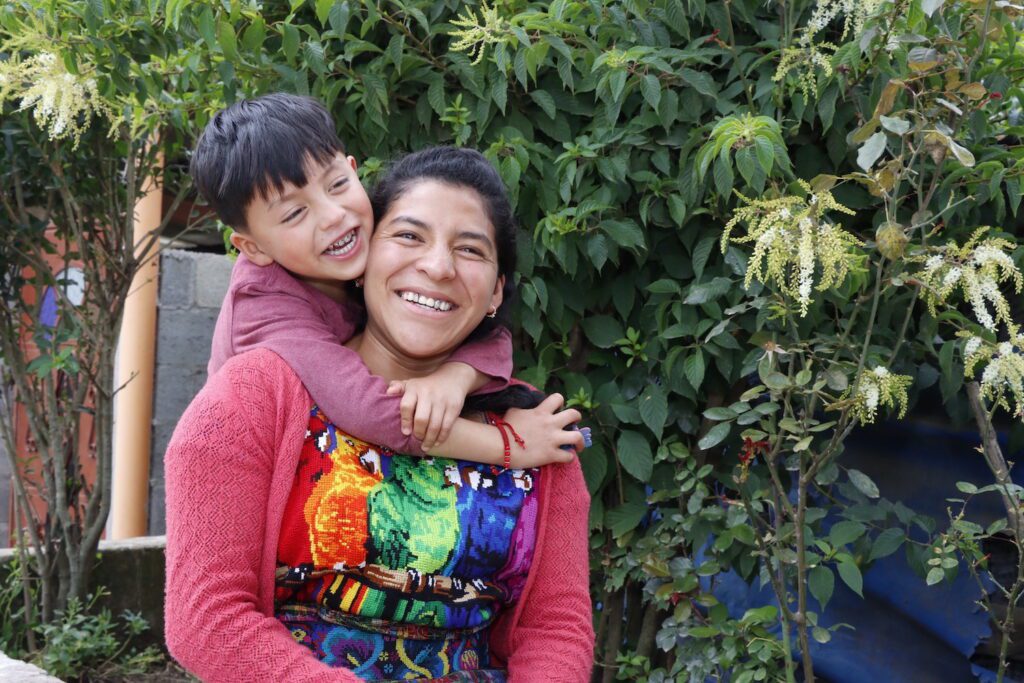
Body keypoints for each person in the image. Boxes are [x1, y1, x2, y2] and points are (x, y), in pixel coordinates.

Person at [164, 146, 593, 681]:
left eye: (470, 250)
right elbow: (207, 618)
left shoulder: (537, 431)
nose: (438, 267)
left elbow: (555, 629)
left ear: (495, 293)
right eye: (409, 236)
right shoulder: (256, 396)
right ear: (364, 257)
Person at [192, 93, 566, 465]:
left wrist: (456, 378)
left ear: (353, 169)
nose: (333, 216)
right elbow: (369, 409)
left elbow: (492, 334)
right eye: (294, 214)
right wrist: (509, 446)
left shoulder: (346, 251)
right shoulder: (264, 307)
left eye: (336, 185)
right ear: (253, 247)